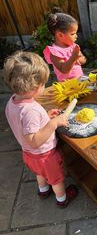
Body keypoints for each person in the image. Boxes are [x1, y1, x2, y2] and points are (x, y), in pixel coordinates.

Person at [3, 51, 78, 208]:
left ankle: (43, 190)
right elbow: (35, 140)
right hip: (45, 155)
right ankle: (62, 199)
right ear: (36, 87)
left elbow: (24, 125)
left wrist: (45, 117)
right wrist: (53, 123)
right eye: (44, 84)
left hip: (29, 154)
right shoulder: (31, 110)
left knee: (40, 173)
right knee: (56, 179)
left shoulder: (12, 102)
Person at [43, 10, 86, 81]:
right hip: (67, 86)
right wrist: (73, 57)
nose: (76, 36)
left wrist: (79, 58)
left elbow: (83, 60)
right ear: (60, 35)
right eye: (72, 34)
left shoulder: (73, 46)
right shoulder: (54, 52)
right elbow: (64, 69)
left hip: (80, 80)